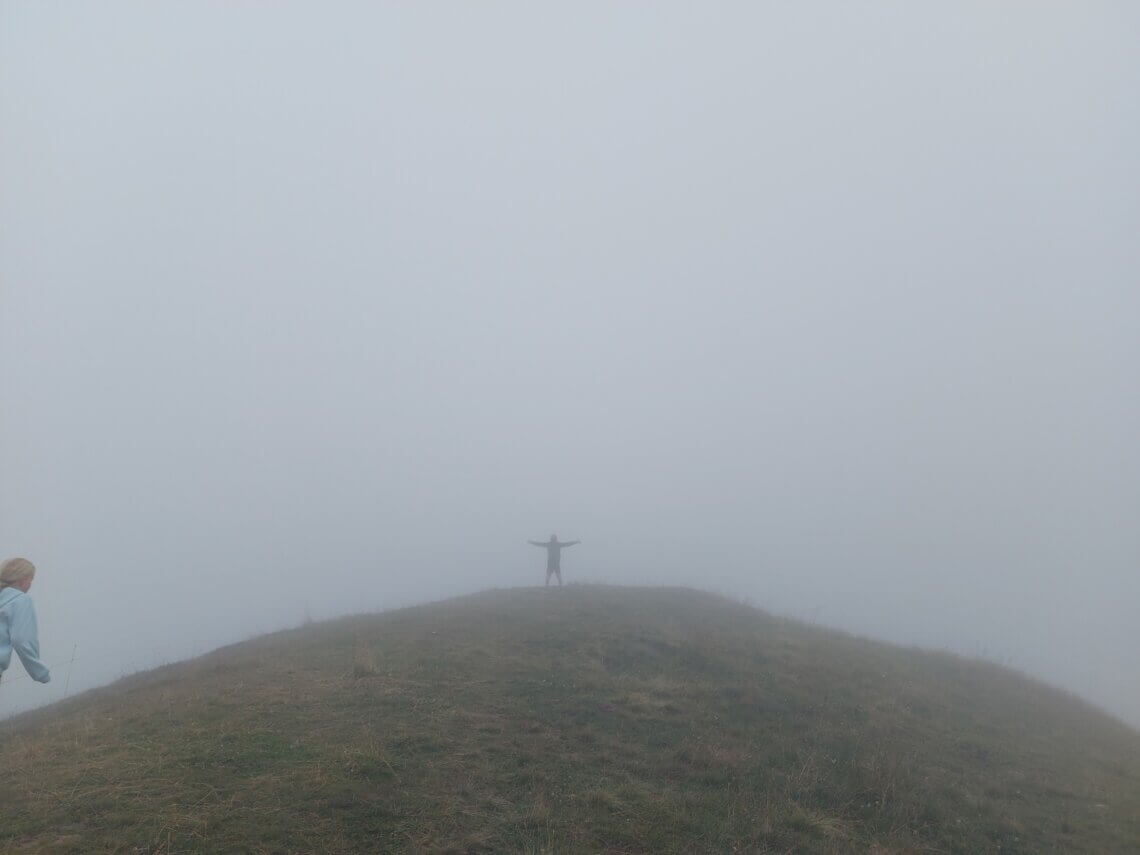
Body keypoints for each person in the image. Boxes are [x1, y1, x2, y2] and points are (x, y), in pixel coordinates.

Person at [0, 557, 51, 686]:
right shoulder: (20, 601)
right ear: (23, 580)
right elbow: (22, 640)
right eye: (30, 579)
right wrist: (41, 673)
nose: (30, 584)